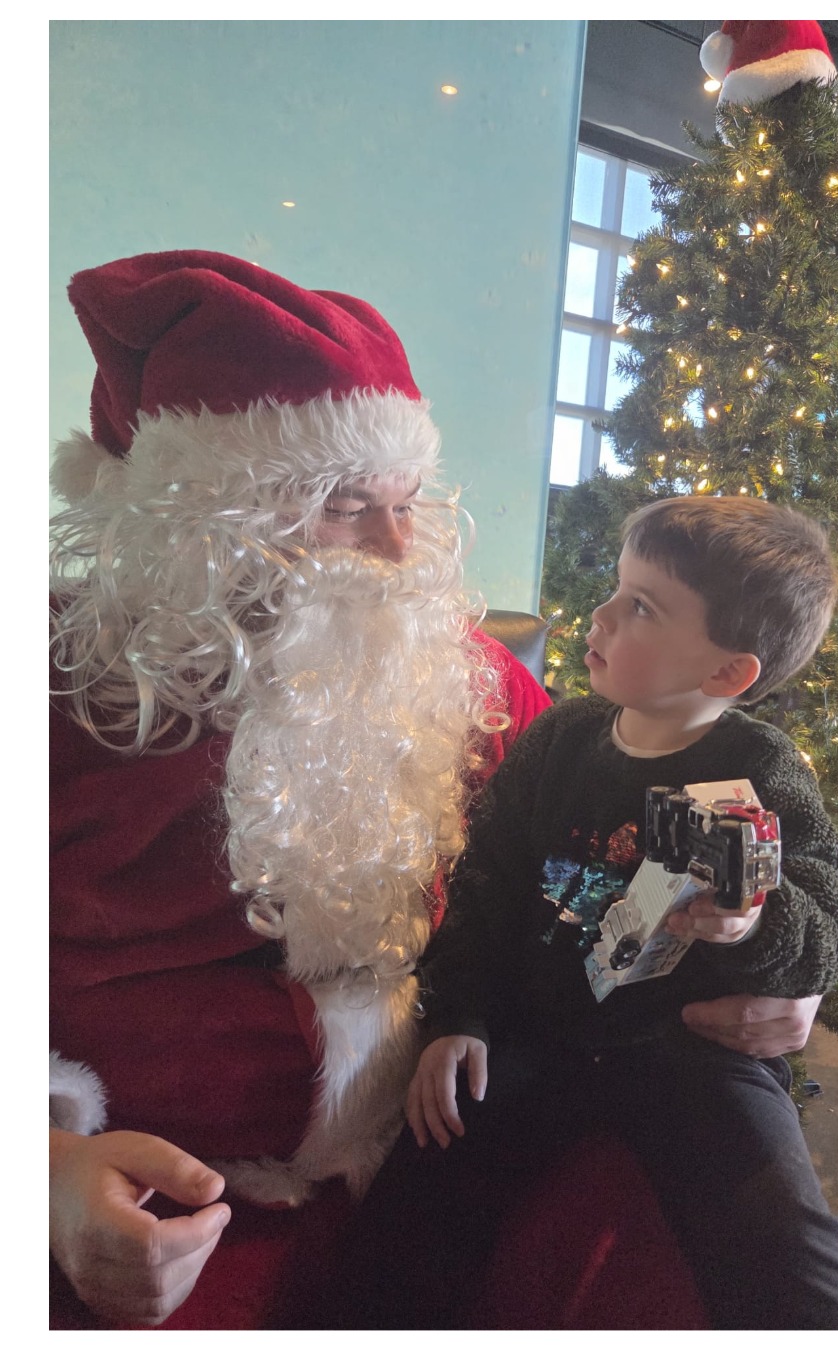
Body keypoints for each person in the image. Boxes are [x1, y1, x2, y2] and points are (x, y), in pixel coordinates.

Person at [47, 249, 552, 1329]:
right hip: (153, 1201)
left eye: (408, 501)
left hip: (430, 1159)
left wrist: (749, 945)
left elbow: (615, 830)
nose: (399, 550)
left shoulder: (455, 670)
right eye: (343, 506)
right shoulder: (54, 689)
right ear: (198, 517)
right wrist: (38, 1173)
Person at [337, 494, 838, 1330]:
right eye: (617, 588)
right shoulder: (561, 739)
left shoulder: (762, 767)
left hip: (694, 1056)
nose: (599, 613)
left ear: (726, 673)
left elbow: (826, 935)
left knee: (796, 1255)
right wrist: (463, 1019)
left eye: (641, 607)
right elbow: (488, 885)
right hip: (538, 1033)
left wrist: (752, 924)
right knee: (414, 1202)